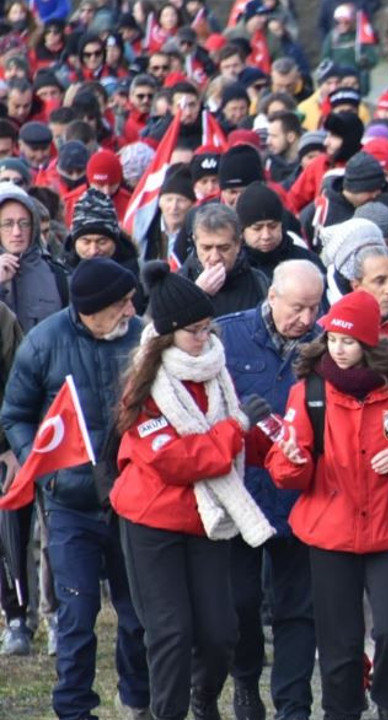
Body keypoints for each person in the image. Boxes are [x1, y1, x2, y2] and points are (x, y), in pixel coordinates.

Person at [267, 290, 388, 720]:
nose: (339, 349)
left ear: (369, 342)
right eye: (332, 339)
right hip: (330, 533)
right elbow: (286, 468)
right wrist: (292, 461)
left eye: (349, 341)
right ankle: (342, 711)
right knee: (340, 643)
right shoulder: (310, 390)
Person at [112, 261, 277, 719]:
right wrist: (237, 428)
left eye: (208, 329)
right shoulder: (144, 388)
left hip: (208, 518)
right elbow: (175, 460)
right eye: (194, 332)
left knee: (221, 632)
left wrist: (271, 442)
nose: (204, 339)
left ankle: (203, 697)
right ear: (167, 334)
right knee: (170, 632)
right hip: (153, 519)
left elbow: (239, 443)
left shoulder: (216, 371)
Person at [1, 259, 148, 719]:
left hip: (134, 501)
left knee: (136, 613)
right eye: (122, 302)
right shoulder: (44, 343)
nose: (131, 309)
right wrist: (46, 471)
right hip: (70, 506)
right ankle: (73, 708)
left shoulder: (143, 339)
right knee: (78, 615)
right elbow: (16, 414)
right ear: (92, 308)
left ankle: (138, 699)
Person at [219, 260, 327, 720]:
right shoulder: (229, 336)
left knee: (298, 608)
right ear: (272, 297)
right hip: (243, 494)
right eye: (297, 308)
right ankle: (245, 682)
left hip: (302, 494)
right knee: (241, 602)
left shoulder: (326, 344)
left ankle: (293, 703)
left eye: (313, 307)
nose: (305, 319)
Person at [180, 203, 271, 317]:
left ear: (238, 244)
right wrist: (197, 294)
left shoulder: (259, 283)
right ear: (195, 242)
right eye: (206, 248)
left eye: (223, 248)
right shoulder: (178, 283)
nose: (214, 257)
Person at [0, 182, 66, 331]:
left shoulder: (57, 276)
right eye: (7, 224)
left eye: (24, 223)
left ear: (34, 226)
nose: (17, 232)